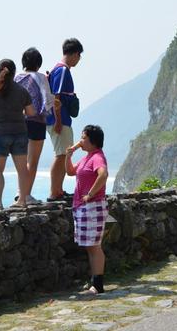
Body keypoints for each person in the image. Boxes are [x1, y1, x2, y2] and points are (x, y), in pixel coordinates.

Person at [0, 59, 35, 210]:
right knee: (22, 169)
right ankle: (22, 200)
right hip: (19, 133)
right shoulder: (22, 91)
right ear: (14, 72)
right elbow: (31, 112)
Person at [65, 125, 109, 294]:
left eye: (83, 138)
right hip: (82, 207)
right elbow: (70, 172)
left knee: (94, 246)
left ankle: (97, 284)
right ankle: (94, 282)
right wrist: (68, 156)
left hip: (93, 206)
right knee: (90, 246)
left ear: (92, 141)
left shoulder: (97, 157)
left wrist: (90, 194)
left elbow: (103, 175)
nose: (80, 141)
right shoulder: (87, 157)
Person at [13, 47, 57, 204]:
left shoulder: (16, 78)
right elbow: (47, 101)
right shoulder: (40, 77)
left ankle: (20, 194)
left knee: (21, 161)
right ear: (38, 63)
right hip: (36, 121)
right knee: (33, 161)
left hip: (18, 122)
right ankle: (26, 195)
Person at [47, 38, 83, 202]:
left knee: (62, 154)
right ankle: (55, 192)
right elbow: (56, 97)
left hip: (58, 118)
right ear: (75, 54)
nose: (79, 59)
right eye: (79, 55)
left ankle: (58, 190)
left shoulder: (57, 69)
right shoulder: (62, 71)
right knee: (61, 154)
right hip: (60, 119)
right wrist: (59, 121)